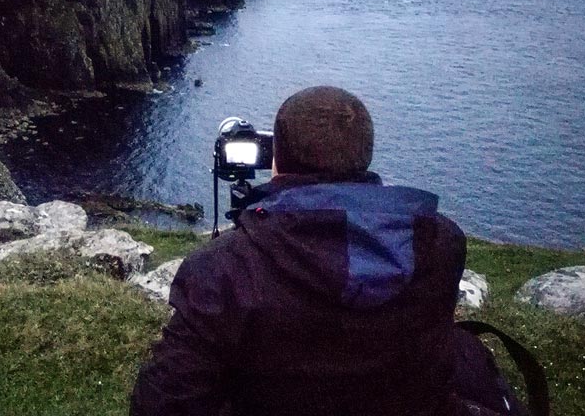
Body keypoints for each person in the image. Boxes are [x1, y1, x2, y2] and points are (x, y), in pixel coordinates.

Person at [130, 86, 534, 416]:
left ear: (276, 160)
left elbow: (166, 400)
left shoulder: (223, 268)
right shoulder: (440, 243)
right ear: (365, 158)